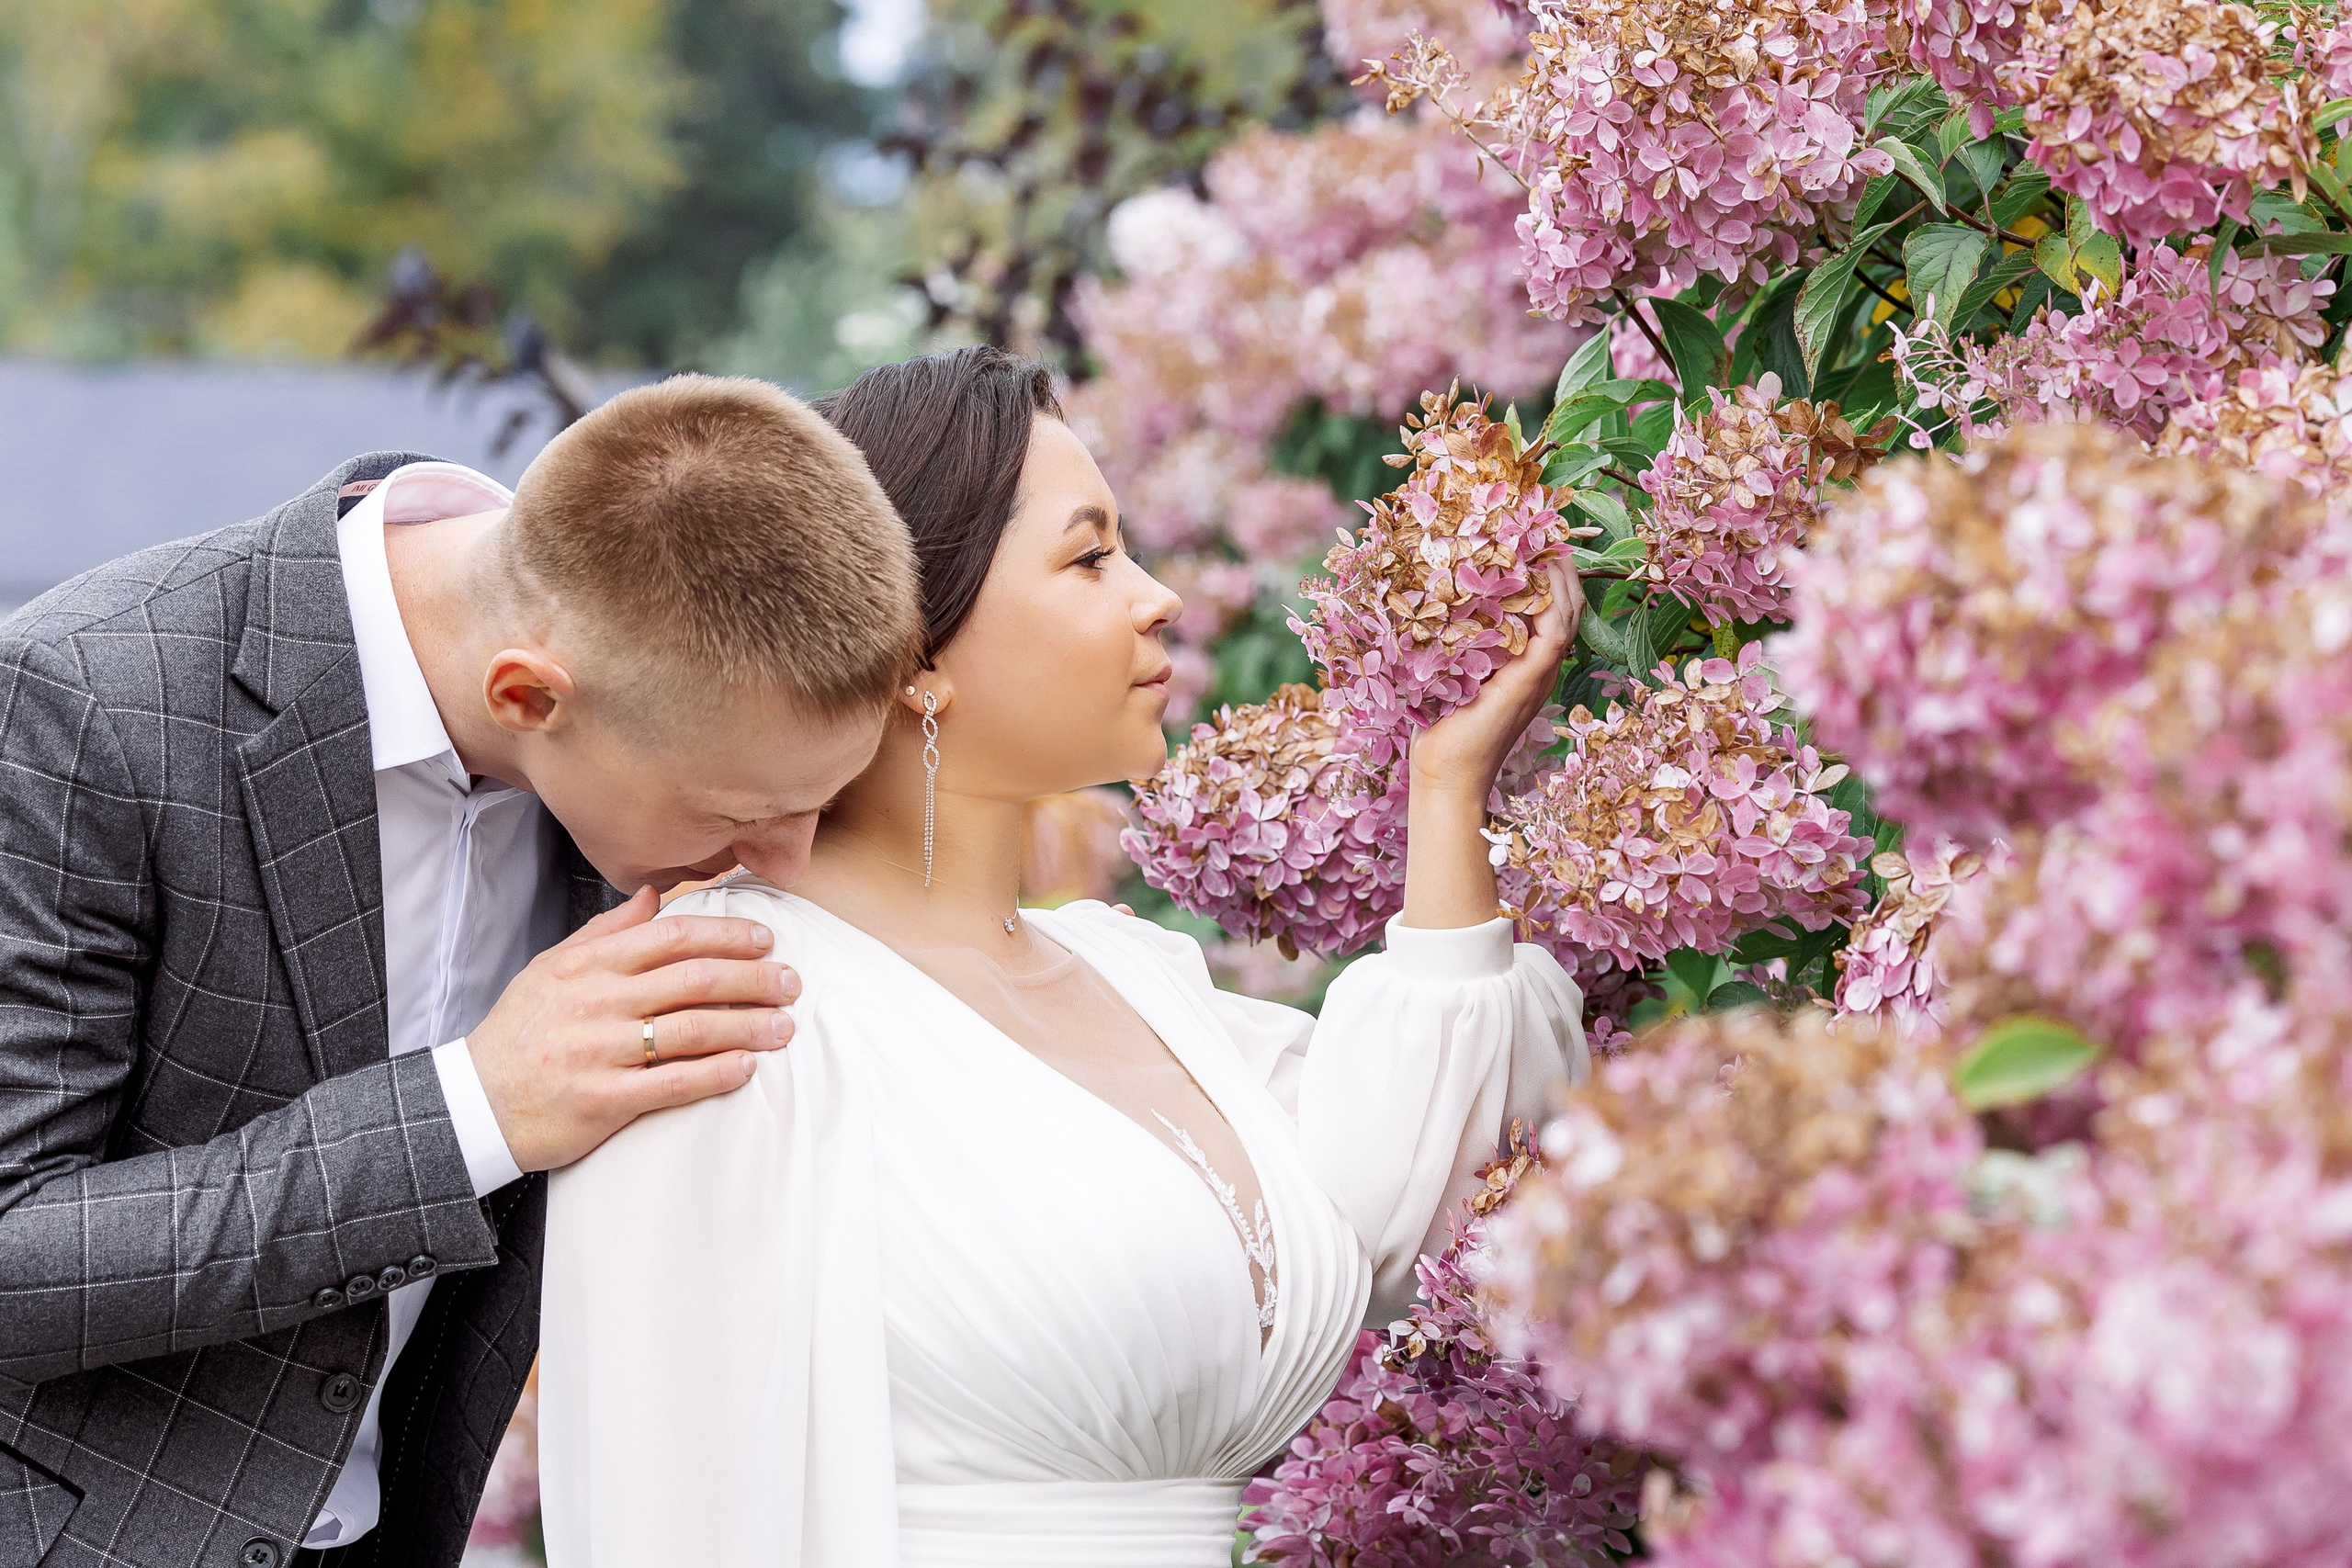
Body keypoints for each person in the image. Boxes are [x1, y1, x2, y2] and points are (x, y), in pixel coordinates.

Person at [537, 347, 1592, 1567]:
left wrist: (1447, 784)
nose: (1159, 599)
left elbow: (1427, 1207)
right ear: (914, 654)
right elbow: (670, 1513)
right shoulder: (723, 1001)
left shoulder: (1140, 977)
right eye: (1091, 558)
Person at [0, 377, 920, 1568]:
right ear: (528, 697)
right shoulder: (80, 702)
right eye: (738, 814)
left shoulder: (646, 673)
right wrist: (474, 1110)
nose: (782, 861)